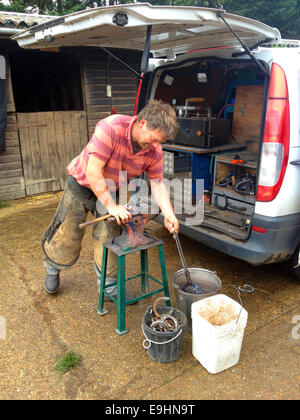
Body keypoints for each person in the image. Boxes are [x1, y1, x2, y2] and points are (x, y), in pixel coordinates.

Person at [42, 99, 179, 297]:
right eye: (154, 139)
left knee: (108, 238)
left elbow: (157, 183)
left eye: (160, 142)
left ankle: (108, 286)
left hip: (113, 188)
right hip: (81, 185)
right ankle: (53, 267)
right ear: (142, 123)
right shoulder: (111, 128)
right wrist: (112, 206)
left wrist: (169, 214)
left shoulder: (154, 151)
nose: (156, 145)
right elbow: (93, 170)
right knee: (67, 232)